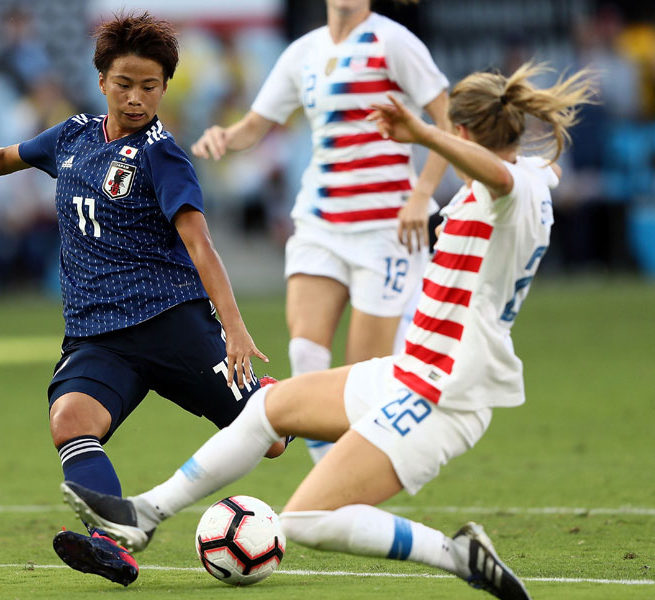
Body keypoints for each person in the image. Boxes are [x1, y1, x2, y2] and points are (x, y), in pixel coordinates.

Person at [61, 62, 596, 599]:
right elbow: (512, 166)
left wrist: (422, 133)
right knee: (268, 410)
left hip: (448, 393)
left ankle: (457, 554)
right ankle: (142, 514)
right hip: (414, 369)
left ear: (459, 134)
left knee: (308, 519)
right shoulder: (533, 175)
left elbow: (499, 176)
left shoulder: (511, 189)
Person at [0, 12, 286, 587]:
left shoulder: (162, 155)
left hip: (172, 322)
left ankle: (283, 401)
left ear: (164, 88)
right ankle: (113, 543)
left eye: (150, 86)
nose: (135, 97)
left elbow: (201, 246)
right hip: (98, 334)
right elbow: (3, 158)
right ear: (102, 80)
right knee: (70, 420)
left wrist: (236, 328)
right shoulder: (72, 136)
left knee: (272, 440)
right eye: (124, 83)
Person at [191, 0, 452, 463]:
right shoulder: (303, 52)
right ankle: (327, 483)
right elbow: (256, 124)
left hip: (386, 229)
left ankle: (347, 481)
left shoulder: (394, 41)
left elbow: (447, 123)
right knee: (306, 354)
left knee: (362, 375)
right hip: (319, 223)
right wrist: (225, 137)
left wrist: (421, 194)